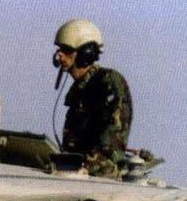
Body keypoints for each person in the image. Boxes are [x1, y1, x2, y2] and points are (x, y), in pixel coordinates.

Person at [53, 19, 132, 179]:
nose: (58, 55)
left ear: (86, 53)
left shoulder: (108, 82)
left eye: (66, 50)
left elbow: (112, 142)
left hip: (100, 176)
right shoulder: (80, 88)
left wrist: (84, 167)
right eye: (59, 50)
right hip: (76, 173)